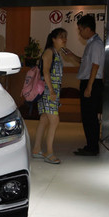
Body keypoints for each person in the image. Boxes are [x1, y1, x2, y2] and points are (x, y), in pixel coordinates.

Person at [63, 14, 105, 156]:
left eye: (80, 29)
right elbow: (85, 62)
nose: (80, 33)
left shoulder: (96, 44)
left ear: (88, 29)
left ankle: (92, 147)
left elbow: (95, 66)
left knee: (90, 117)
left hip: (92, 83)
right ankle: (90, 145)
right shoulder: (91, 43)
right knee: (87, 116)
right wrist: (72, 55)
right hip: (89, 82)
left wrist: (89, 87)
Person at [32, 28, 68, 164]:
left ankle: (36, 149)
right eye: (61, 37)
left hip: (51, 91)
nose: (64, 39)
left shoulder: (57, 53)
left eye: (65, 37)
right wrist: (52, 91)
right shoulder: (49, 52)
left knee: (44, 120)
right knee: (54, 120)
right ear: (53, 39)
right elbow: (46, 72)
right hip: (48, 91)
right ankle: (49, 152)